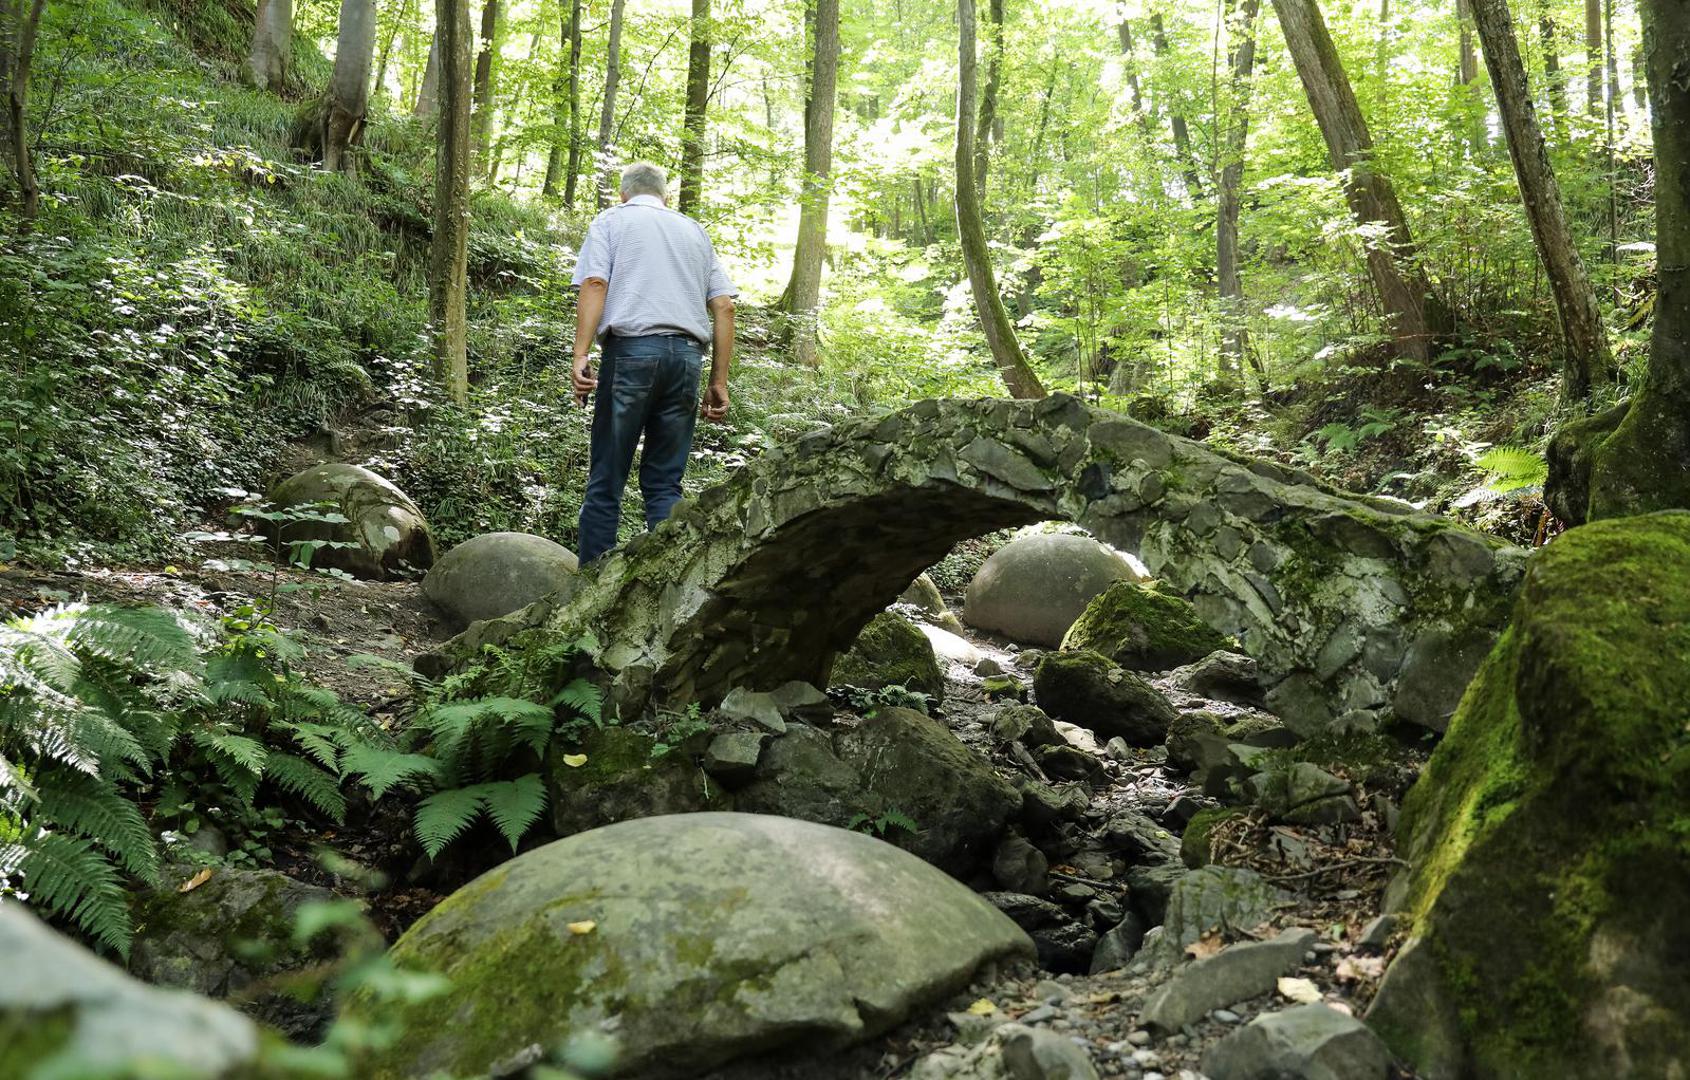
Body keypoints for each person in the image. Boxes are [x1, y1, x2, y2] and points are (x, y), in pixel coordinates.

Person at [570, 161, 737, 564]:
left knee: (607, 478)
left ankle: (591, 592)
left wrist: (581, 353)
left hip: (631, 354)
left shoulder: (611, 221)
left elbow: (595, 283)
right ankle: (665, 587)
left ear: (623, 194)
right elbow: (725, 307)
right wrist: (719, 381)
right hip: (686, 361)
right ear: (666, 196)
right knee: (665, 484)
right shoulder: (694, 231)